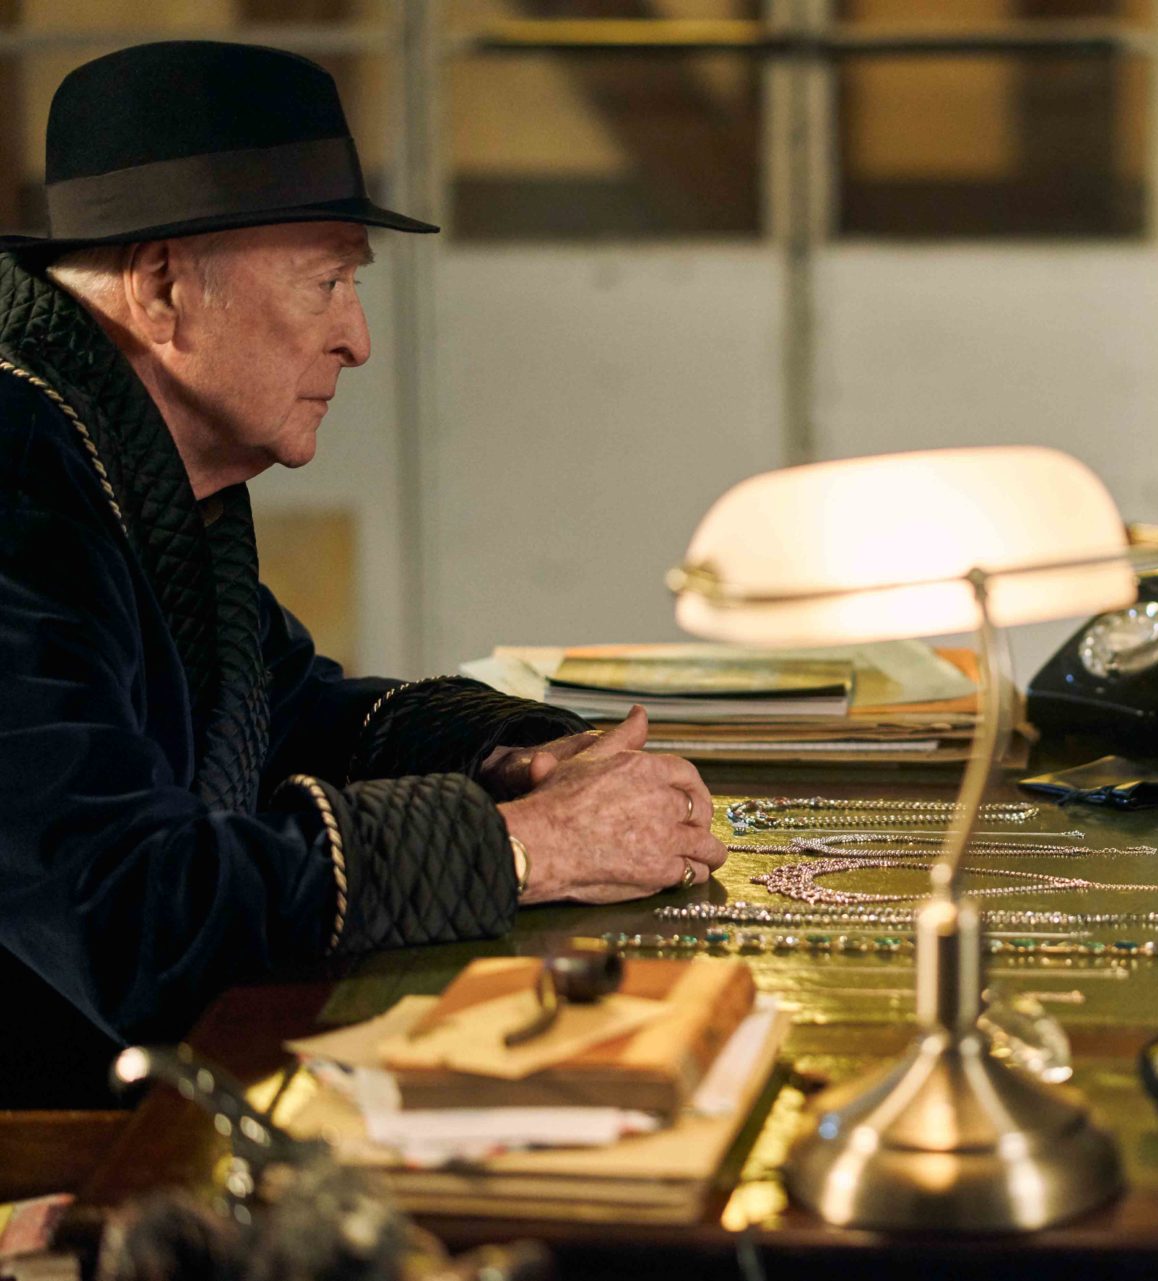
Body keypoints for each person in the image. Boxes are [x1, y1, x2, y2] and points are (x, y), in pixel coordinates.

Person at [0, 42, 727, 1107]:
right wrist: (521, 848)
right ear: (162, 286)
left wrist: (521, 755)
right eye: (328, 281)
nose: (358, 339)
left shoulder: (119, 456)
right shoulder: (20, 477)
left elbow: (288, 714)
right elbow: (123, 908)